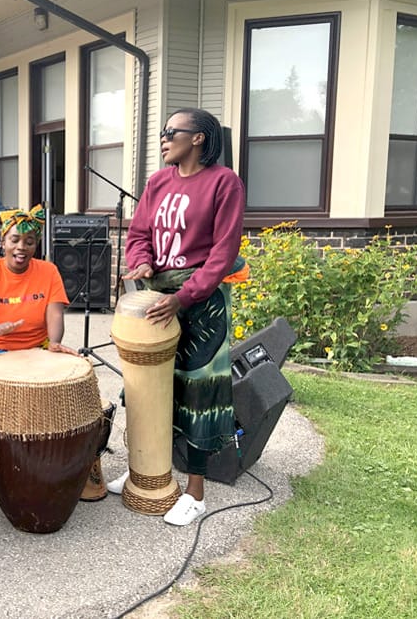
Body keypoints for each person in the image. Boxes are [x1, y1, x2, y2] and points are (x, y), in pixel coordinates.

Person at [106, 107, 247, 527]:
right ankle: (146, 471)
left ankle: (195, 493)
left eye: (172, 132)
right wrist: (142, 262)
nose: (164, 139)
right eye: (163, 132)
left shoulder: (224, 182)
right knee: (148, 387)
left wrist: (183, 298)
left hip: (201, 302)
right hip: (158, 296)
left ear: (198, 138)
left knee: (198, 394)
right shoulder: (158, 182)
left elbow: (223, 253)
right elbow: (139, 234)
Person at [0, 205, 79, 373]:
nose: (21, 246)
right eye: (14, 240)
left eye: (29, 242)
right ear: (3, 243)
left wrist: (54, 343)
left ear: (36, 245)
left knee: (66, 375)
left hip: (38, 345)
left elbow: (55, 314)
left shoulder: (49, 271)